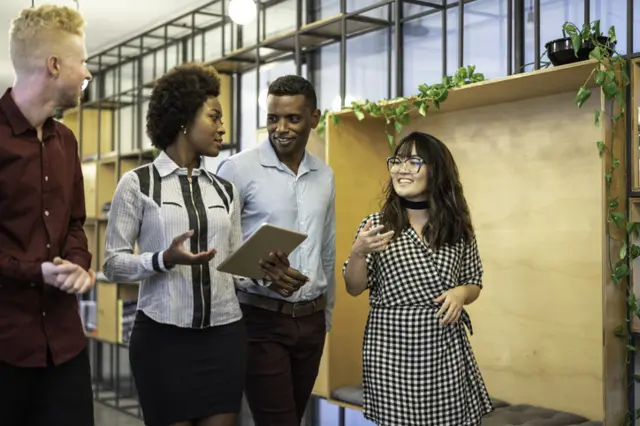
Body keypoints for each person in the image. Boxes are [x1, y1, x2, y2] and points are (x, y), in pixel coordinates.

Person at [103, 63, 249, 426]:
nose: (222, 128)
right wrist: (161, 259)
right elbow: (112, 263)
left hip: (224, 338)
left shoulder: (225, 189)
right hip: (163, 341)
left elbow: (234, 267)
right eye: (214, 117)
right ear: (184, 119)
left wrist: (265, 271)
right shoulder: (137, 183)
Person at [343, 131, 493, 426]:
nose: (401, 169)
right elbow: (353, 287)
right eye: (397, 161)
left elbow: (474, 280)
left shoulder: (457, 227)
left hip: (444, 347)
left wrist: (461, 293)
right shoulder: (376, 225)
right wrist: (358, 252)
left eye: (413, 162)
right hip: (391, 349)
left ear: (435, 169)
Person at [216, 74, 336, 426]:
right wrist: (259, 276)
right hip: (260, 320)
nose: (280, 128)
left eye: (293, 118)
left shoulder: (325, 175)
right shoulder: (238, 169)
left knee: (292, 418)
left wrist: (325, 316)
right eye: (273, 118)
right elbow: (215, 252)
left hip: (311, 322)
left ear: (314, 118)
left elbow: (326, 247)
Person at [0, 5, 97, 426]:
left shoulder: (68, 142)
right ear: (54, 65)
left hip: (65, 345)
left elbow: (75, 222)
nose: (88, 72)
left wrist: (77, 264)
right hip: (5, 347)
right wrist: (34, 271)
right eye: (83, 62)